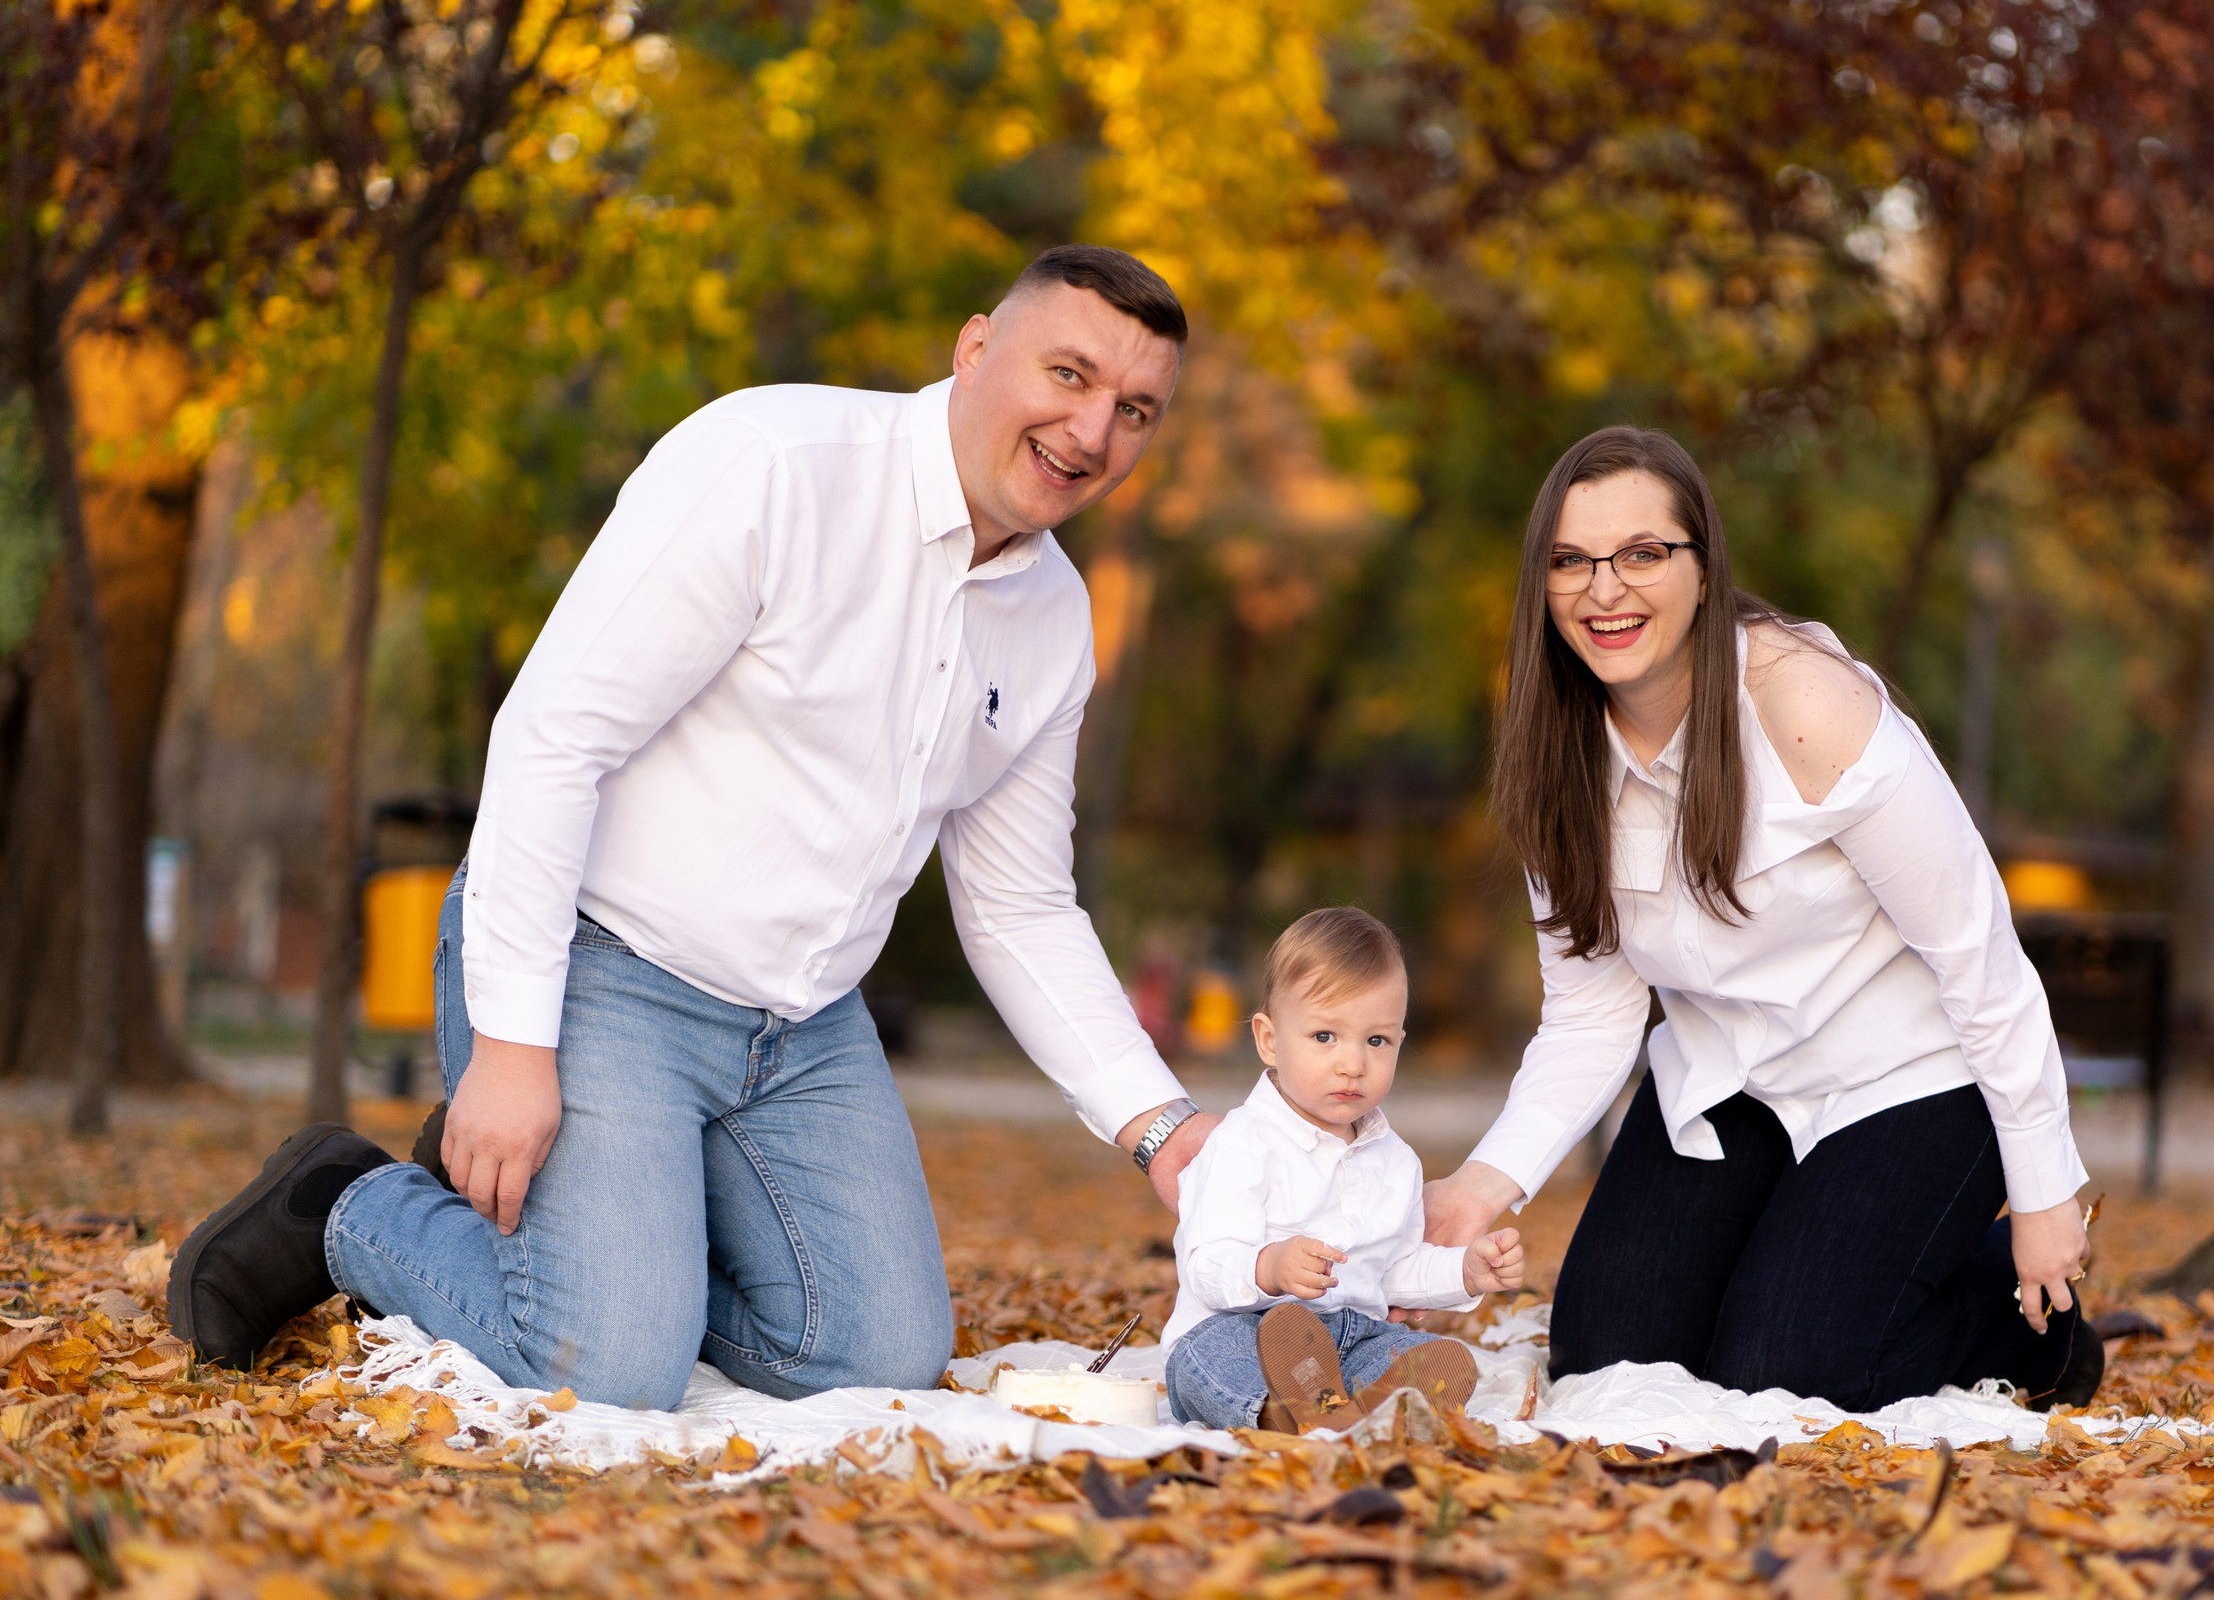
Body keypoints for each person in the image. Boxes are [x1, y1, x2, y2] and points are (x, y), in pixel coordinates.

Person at [168, 247, 1219, 1409]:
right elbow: (553, 738)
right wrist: (514, 1049)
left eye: (1133, 410)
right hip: (601, 970)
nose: (1091, 430)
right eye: (1066, 374)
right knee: (610, 1366)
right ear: (975, 349)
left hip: (806, 1033)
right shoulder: (774, 463)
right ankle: (350, 1205)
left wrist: (1159, 1129)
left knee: (873, 1360)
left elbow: (1018, 903)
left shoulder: (1055, 615)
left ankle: (608, 1246)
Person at [1417, 426, 2102, 1413]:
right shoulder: (1552, 758)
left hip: (1908, 1079)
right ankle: (1811, 1257)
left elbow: (1980, 958)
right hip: (1725, 1083)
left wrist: (2043, 1193)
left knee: (1793, 1374)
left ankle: (2019, 1321)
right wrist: (1482, 1186)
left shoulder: (1806, 705)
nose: (1604, 589)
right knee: (1608, 1360)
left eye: (1643, 554)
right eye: (1571, 561)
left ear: (1701, 565)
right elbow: (1591, 1017)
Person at [1161, 908, 1525, 1433]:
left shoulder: (1396, 1162)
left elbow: (1394, 1273)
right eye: (1325, 1037)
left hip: (1349, 1337)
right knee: (1210, 1355)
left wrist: (1463, 1271)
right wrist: (1269, 1267)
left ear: (1400, 1042)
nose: (1352, 1063)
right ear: (1269, 1039)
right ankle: (1278, 1413)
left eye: (1376, 1042)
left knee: (1406, 1349)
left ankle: (1356, 1407)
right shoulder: (1241, 1142)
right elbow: (1207, 1265)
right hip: (1245, 1326)